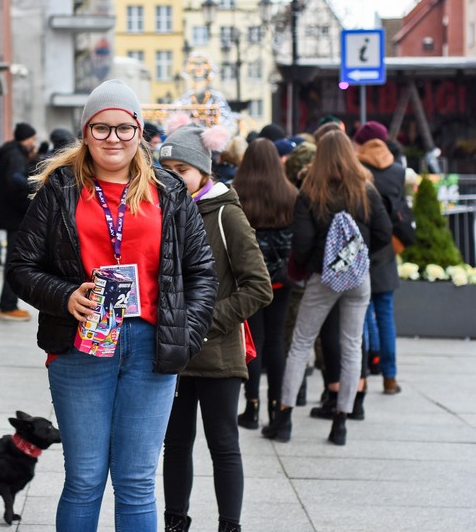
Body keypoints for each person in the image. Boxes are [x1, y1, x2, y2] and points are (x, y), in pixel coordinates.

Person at [6, 79, 217, 531]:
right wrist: (65, 294)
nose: (113, 139)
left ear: (139, 131)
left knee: (137, 480)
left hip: (150, 345)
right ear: (86, 132)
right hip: (81, 344)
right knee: (84, 479)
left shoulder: (169, 190)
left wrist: (185, 335)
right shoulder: (60, 188)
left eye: (124, 128)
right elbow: (21, 267)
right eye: (101, 128)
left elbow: (201, 273)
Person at [159, 125, 272, 532]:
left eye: (182, 168)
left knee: (223, 444)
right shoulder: (160, 210)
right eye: (165, 168)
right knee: (175, 445)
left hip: (218, 354)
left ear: (203, 171)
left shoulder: (226, 213)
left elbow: (259, 287)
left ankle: (229, 525)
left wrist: (204, 321)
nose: (173, 176)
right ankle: (176, 522)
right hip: (171, 352)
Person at [262, 131, 392, 446]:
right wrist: (358, 256)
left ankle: (284, 419)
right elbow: (384, 232)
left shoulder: (311, 190)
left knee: (301, 344)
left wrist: (312, 265)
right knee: (351, 346)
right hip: (359, 279)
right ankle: (341, 423)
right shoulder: (365, 188)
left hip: (323, 276)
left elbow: (303, 242)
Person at [233, 139, 298, 430]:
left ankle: (252, 406)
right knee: (276, 343)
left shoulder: (236, 192)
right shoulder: (291, 194)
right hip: (281, 280)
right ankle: (277, 410)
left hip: (247, 280)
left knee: (253, 343)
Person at [354, 121, 406, 394]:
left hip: (359, 249)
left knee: (360, 316)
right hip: (386, 251)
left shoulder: (356, 168)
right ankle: (390, 377)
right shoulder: (398, 172)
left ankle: (361, 376)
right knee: (385, 314)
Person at [0, 122, 37, 321]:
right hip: (15, 217)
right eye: (32, 139)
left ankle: (8, 303)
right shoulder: (15, 156)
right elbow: (15, 185)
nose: (33, 143)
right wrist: (29, 204)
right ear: (25, 139)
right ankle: (7, 305)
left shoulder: (13, 154)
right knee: (14, 262)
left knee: (14, 261)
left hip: (12, 216)